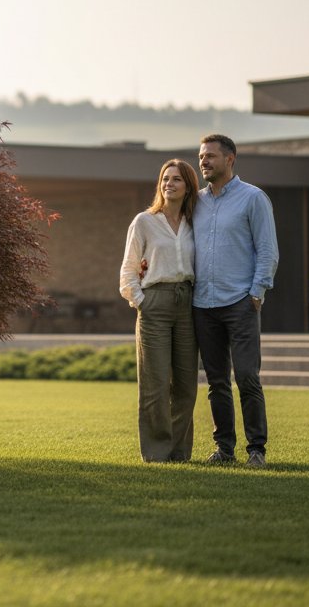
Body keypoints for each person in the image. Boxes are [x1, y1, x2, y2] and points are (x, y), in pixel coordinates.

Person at [192, 134, 278, 467]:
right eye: (201, 156)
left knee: (246, 377)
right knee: (216, 382)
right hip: (203, 305)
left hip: (240, 303)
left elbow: (267, 249)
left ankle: (256, 449)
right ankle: (224, 449)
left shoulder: (253, 198)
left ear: (230, 159)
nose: (203, 161)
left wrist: (256, 293)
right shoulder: (195, 202)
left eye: (210, 156)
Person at [119, 159, 200, 463]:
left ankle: (179, 452)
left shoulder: (196, 223)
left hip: (188, 304)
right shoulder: (144, 221)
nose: (169, 184)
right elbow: (129, 268)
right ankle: (156, 452)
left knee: (186, 385)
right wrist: (141, 301)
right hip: (155, 301)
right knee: (155, 383)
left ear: (188, 186)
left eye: (176, 179)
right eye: (165, 179)